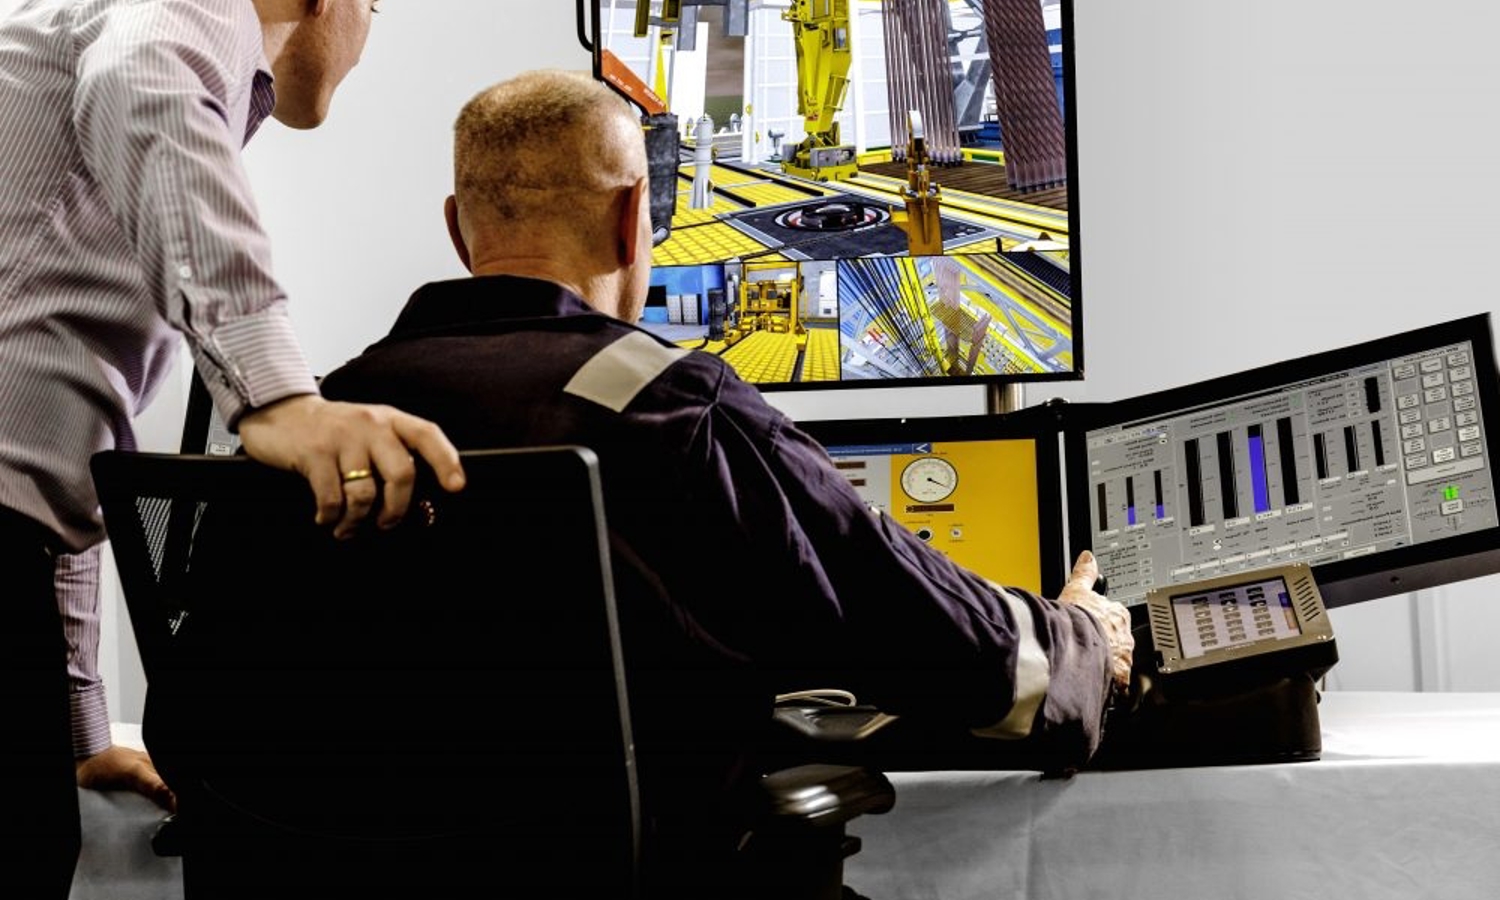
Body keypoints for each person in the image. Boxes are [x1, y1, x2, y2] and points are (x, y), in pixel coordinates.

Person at [312, 68, 1134, 897]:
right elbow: (949, 642)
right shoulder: (668, 406)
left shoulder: (325, 416)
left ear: (458, 231)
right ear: (635, 218)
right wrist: (1086, 643)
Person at [0, 1, 465, 895]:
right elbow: (141, 70)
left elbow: (42, 449)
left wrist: (83, 730)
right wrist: (280, 397)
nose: (368, 38)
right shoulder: (177, 16)